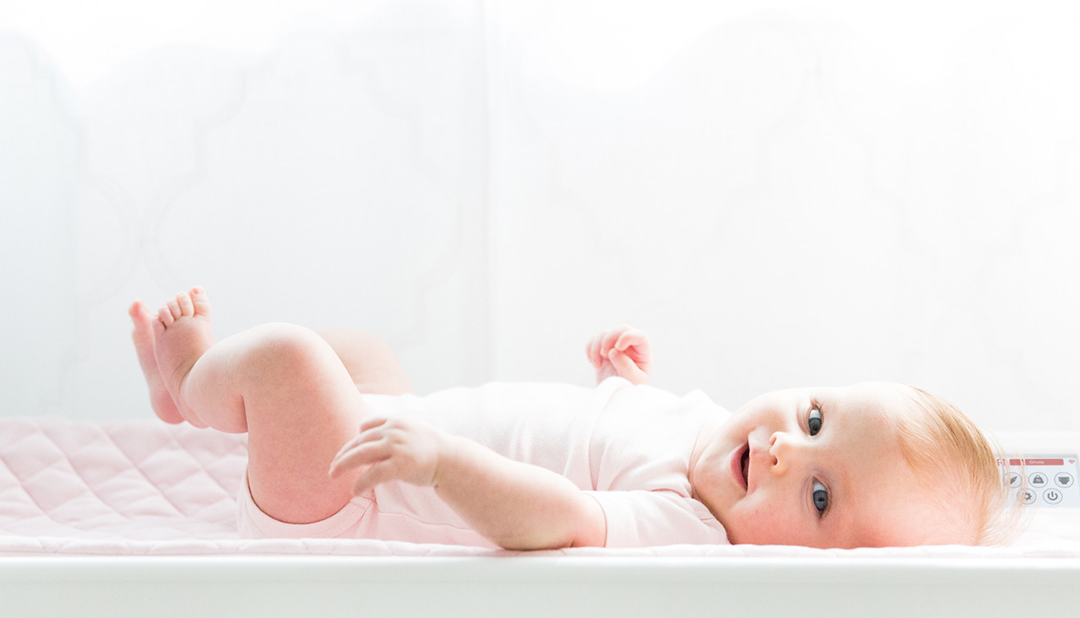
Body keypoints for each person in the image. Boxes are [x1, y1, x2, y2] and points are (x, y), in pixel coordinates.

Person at [128, 287, 1012, 550]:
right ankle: (213, 397)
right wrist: (614, 384)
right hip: (389, 435)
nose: (785, 446)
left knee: (293, 363)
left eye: (820, 496)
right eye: (816, 416)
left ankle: (194, 385)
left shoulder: (694, 531)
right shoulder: (713, 436)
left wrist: (442, 465)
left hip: (343, 503)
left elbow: (563, 515)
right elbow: (598, 443)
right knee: (362, 358)